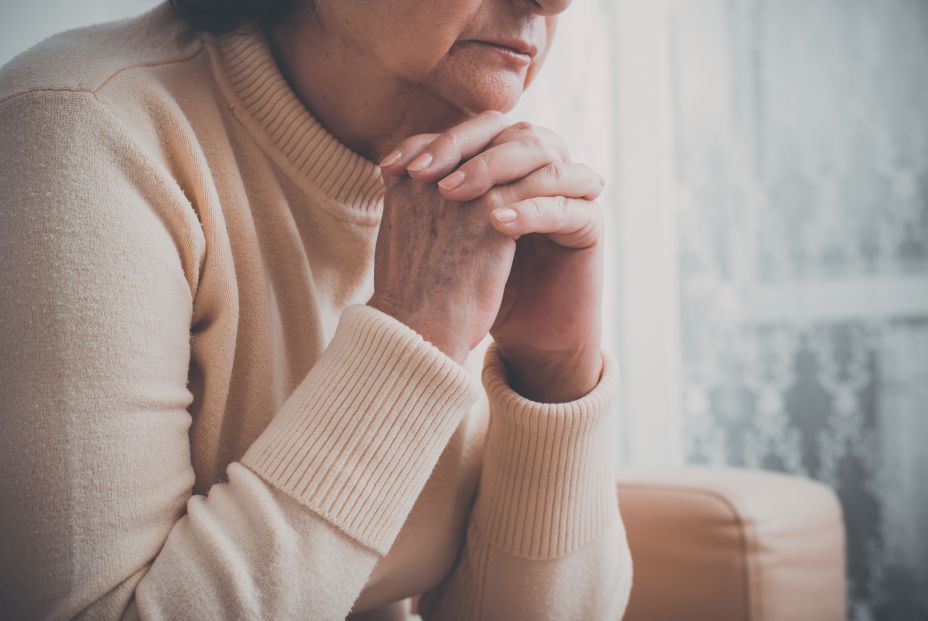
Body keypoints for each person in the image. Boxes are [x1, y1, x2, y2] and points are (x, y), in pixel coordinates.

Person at [0, 0, 633, 618]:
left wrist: (553, 375)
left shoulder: (481, 186)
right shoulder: (78, 136)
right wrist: (414, 334)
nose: (557, 3)